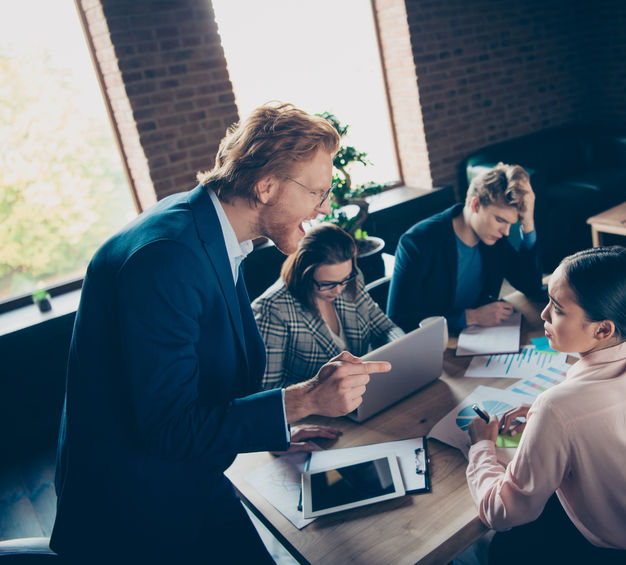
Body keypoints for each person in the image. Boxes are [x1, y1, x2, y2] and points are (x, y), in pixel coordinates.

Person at [50, 102, 391, 564]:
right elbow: (167, 428)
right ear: (266, 185)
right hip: (139, 515)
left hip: (192, 477)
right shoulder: (167, 258)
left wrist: (273, 425)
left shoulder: (209, 231)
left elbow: (203, 384)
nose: (325, 206)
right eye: (318, 191)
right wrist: (304, 399)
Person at [465, 246, 626, 563]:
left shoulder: (557, 408)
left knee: (491, 548)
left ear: (603, 329)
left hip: (621, 556)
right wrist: (541, 415)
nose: (543, 314)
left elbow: (503, 513)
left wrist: (482, 449)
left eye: (557, 308)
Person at [387, 163, 543, 332]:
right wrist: (471, 317)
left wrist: (528, 223)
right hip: (438, 343)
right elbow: (399, 318)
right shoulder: (417, 243)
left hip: (483, 336)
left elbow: (531, 286)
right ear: (475, 205)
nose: (506, 232)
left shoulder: (494, 237)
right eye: (500, 220)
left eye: (510, 224)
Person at [253, 222, 404, 390]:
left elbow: (384, 329)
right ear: (304, 273)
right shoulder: (272, 309)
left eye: (344, 279)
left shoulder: (350, 280)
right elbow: (268, 389)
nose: (339, 289)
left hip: (365, 394)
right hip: (317, 412)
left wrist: (404, 347)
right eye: (327, 284)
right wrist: (320, 388)